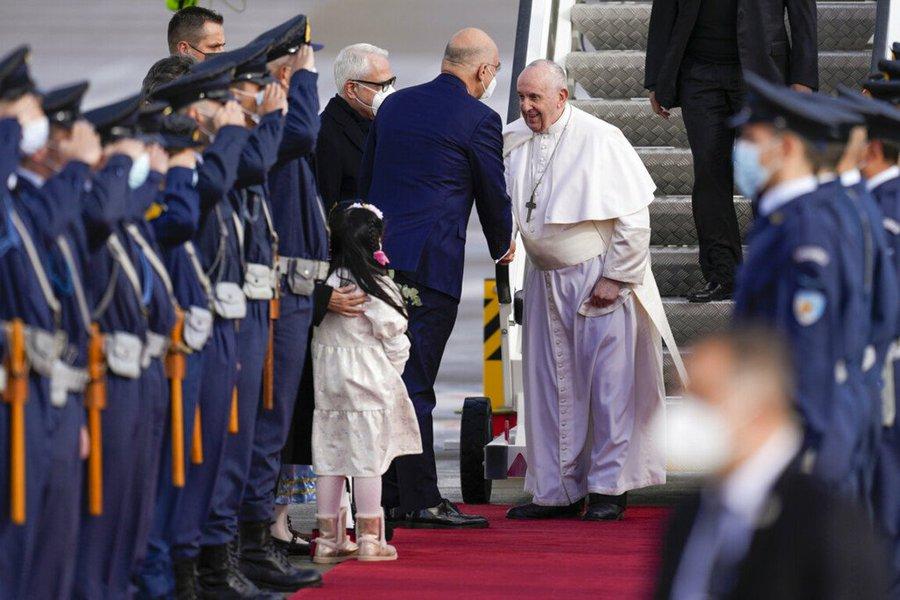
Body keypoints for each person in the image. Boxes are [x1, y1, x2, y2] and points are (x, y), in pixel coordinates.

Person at [502, 60, 681, 521]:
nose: (525, 107)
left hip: (595, 276)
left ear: (562, 97)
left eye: (534, 98)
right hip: (543, 278)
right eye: (521, 97)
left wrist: (617, 277)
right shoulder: (515, 138)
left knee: (608, 386)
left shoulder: (601, 138)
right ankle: (556, 490)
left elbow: (634, 218)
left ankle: (607, 488)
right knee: (549, 386)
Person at [359, 27, 512, 529]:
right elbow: (493, 192)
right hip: (429, 269)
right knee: (416, 381)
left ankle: (384, 496)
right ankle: (421, 499)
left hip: (376, 263)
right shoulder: (479, 119)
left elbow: (364, 183)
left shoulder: (394, 107)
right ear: (483, 72)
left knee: (382, 379)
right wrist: (502, 246)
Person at [655, 328, 889, 599]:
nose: (688, 415)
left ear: (758, 410)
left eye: (703, 399)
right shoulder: (691, 516)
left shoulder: (827, 524)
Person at [730, 74, 869, 498]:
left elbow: (808, 346)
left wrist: (796, 440)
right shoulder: (783, 219)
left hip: (806, 426)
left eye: (751, 140)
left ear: (786, 147)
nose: (741, 153)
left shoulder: (807, 230)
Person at [645, 0, 818, 302]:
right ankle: (723, 275)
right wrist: (657, 77)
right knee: (709, 174)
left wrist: (803, 77)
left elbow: (802, 8)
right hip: (697, 73)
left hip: (762, 72)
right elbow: (664, 9)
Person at [311, 203, 423, 564]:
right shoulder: (374, 285)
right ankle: (370, 538)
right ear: (375, 240)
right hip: (368, 387)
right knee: (367, 461)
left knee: (330, 458)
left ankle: (329, 539)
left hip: (328, 387)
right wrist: (391, 372)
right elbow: (394, 337)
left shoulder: (326, 286)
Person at [316, 43, 395, 211]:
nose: (390, 92)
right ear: (351, 89)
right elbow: (325, 207)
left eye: (391, 82)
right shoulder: (325, 135)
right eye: (381, 86)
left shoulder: (382, 123)